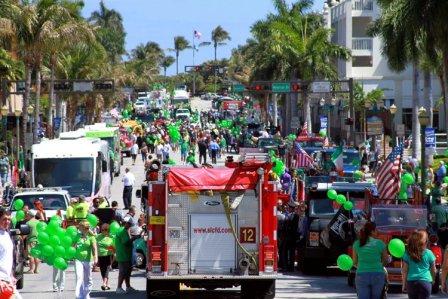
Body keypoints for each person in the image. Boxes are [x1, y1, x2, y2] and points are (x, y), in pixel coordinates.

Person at [352, 222, 388, 299]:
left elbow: (354, 262)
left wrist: (362, 267)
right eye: (376, 230)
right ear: (372, 231)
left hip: (361, 274)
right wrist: (379, 266)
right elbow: (385, 260)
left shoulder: (357, 244)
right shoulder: (380, 243)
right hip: (378, 274)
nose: (377, 232)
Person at [402, 230, 436, 299]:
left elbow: (405, 270)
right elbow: (434, 270)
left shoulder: (408, 253)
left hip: (411, 282)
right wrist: (433, 279)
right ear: (425, 241)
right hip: (425, 282)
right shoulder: (429, 253)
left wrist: (404, 284)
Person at [0, 207, 22, 298]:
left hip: (7, 279)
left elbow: (7, 258)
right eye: (4, 219)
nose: (7, 222)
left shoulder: (6, 234)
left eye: (9, 219)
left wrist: (11, 275)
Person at [74, 220, 98, 299]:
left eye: (81, 227)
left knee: (88, 278)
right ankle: (80, 295)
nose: (79, 228)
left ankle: (86, 294)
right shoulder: (77, 236)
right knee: (79, 276)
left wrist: (96, 258)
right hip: (78, 259)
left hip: (88, 260)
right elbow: (72, 246)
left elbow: (94, 248)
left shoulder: (91, 237)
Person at [115, 216, 137, 294]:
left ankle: (128, 287)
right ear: (126, 223)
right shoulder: (122, 231)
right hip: (123, 255)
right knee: (123, 271)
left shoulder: (123, 230)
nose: (130, 226)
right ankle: (119, 287)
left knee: (127, 271)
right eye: (129, 224)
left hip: (125, 254)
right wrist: (134, 238)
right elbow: (126, 242)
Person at [96, 223, 114, 291]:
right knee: (102, 271)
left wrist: (112, 252)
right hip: (100, 256)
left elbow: (112, 247)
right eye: (102, 229)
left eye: (105, 230)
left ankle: (104, 283)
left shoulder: (110, 237)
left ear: (108, 230)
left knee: (107, 270)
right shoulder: (98, 236)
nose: (103, 231)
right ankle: (106, 284)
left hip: (108, 255)